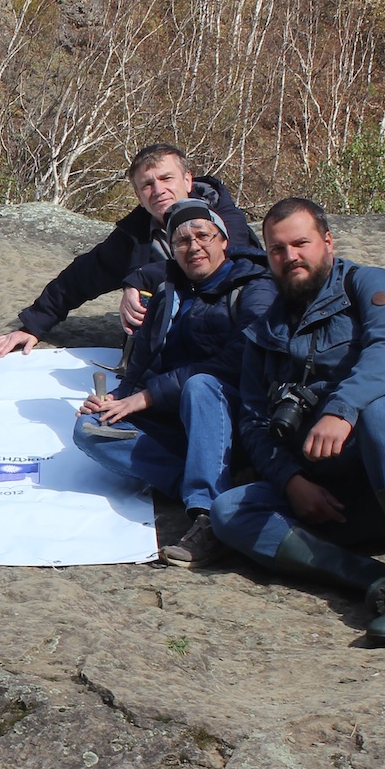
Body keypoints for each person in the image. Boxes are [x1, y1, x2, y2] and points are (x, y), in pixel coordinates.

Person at [209, 198, 385, 642]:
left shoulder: (372, 286)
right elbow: (254, 422)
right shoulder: (264, 332)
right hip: (346, 499)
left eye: (300, 243)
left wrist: (340, 409)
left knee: (383, 412)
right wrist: (292, 480)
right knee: (230, 509)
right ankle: (372, 580)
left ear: (327, 242)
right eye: (277, 249)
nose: (290, 256)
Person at [71, 197, 276, 569]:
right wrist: (118, 398)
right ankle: (212, 479)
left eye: (203, 236)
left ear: (224, 240)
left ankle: (209, 516)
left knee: (201, 385)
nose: (194, 246)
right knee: (89, 429)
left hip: (233, 414)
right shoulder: (168, 290)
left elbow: (240, 359)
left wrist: (145, 398)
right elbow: (145, 360)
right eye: (182, 241)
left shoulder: (253, 287)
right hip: (173, 416)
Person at [0, 143, 264, 355]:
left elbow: (229, 266)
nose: (158, 190)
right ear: (138, 195)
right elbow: (81, 277)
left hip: (230, 340)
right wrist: (34, 325)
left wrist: (141, 278)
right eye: (147, 184)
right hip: (164, 348)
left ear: (188, 180)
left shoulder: (225, 219)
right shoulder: (135, 234)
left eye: (166, 178)